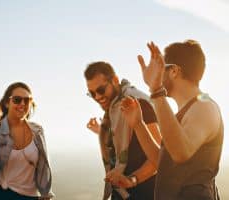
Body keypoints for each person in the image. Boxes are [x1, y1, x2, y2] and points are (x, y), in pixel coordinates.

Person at [113, 40, 223, 199]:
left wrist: (156, 90)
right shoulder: (184, 112)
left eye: (161, 68)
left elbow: (181, 153)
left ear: (173, 71)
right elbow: (163, 163)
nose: (157, 74)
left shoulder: (204, 106)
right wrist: (138, 124)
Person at [84, 61, 161, 200]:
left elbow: (160, 157)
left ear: (115, 80)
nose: (97, 97)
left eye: (101, 90)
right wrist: (101, 131)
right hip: (121, 192)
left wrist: (132, 180)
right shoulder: (113, 108)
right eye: (92, 93)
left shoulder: (138, 103)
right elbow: (126, 139)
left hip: (144, 192)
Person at [0, 82, 54, 200]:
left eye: (27, 100)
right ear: (6, 103)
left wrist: (46, 194)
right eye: (17, 100)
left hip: (29, 197)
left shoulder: (37, 131)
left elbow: (43, 168)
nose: (22, 104)